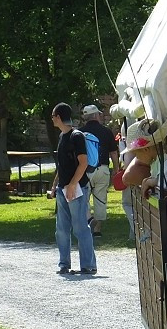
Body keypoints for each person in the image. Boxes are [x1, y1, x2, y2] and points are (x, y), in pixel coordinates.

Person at [50, 102, 97, 275]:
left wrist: (72, 185)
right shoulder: (62, 136)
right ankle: (64, 264)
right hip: (63, 189)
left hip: (77, 188)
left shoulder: (76, 136)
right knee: (61, 229)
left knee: (80, 227)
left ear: (59, 117)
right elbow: (62, 165)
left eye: (53, 116)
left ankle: (88, 265)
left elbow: (83, 163)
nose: (52, 119)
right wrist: (56, 185)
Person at [80, 104, 119, 236]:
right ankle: (97, 229)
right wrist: (116, 169)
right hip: (102, 169)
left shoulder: (79, 133)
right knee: (101, 199)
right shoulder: (106, 131)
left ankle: (88, 222)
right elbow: (113, 152)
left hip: (85, 170)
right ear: (96, 115)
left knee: (84, 199)